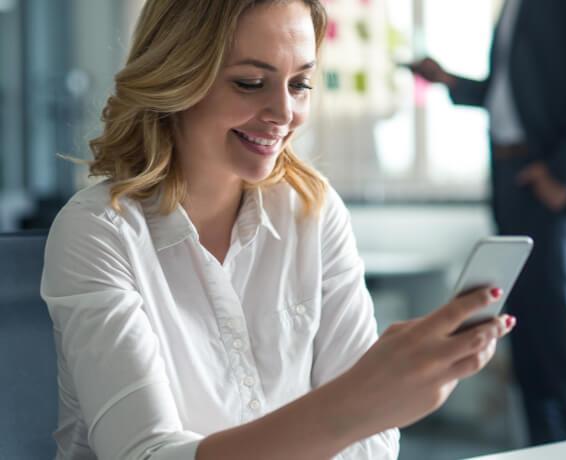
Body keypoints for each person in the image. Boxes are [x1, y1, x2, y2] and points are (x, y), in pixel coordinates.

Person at [40, 1, 517, 459]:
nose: (284, 112)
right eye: (250, 83)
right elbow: (146, 455)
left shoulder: (313, 209)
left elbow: (369, 446)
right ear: (178, 77)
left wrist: (371, 403)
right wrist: (361, 403)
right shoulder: (98, 232)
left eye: (301, 84)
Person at [408, 0, 566, 445]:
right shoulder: (514, 7)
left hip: (554, 187)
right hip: (514, 181)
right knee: (530, 352)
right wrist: (448, 81)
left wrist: (565, 174)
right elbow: (511, 93)